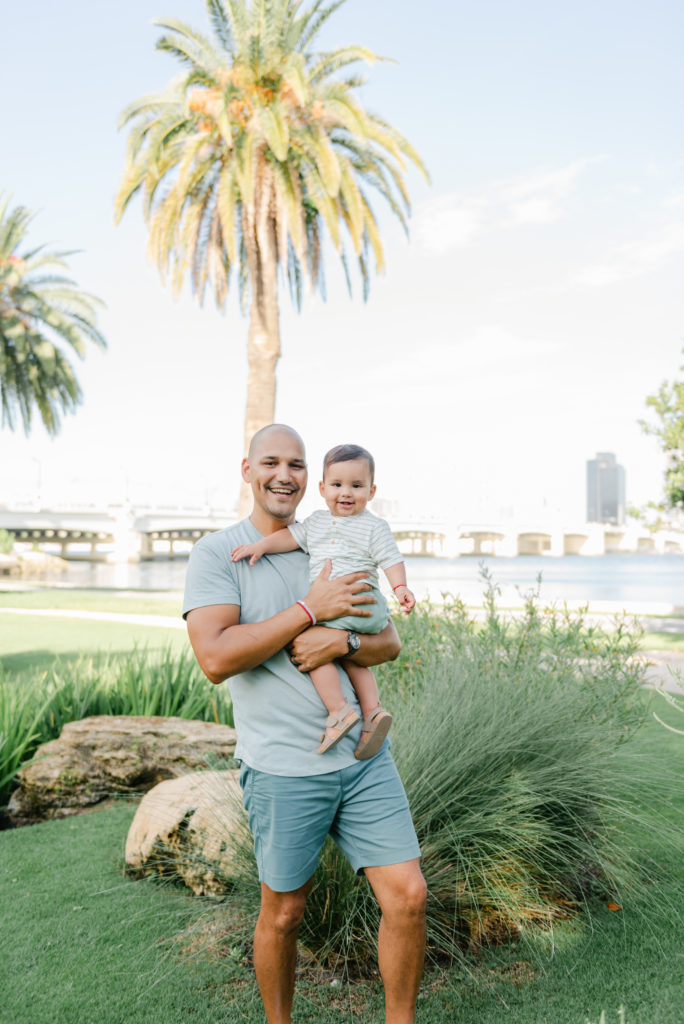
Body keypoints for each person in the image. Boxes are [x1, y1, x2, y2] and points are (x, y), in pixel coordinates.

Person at [183, 424, 426, 1024]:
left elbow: (386, 641)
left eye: (295, 464)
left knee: (409, 898)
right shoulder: (220, 553)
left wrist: (338, 637)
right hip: (286, 766)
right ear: (247, 470)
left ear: (308, 478)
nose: (283, 475)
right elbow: (215, 658)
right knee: (284, 914)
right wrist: (309, 612)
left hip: (364, 758)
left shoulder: (333, 540)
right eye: (271, 462)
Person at [231, 443, 416, 759]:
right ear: (322, 488)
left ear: (372, 492)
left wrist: (260, 545)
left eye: (356, 486)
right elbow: (389, 559)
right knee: (349, 655)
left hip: (344, 603)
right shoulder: (363, 526)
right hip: (369, 609)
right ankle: (373, 710)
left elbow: (391, 560)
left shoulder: (340, 524)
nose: (346, 493)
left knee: (311, 645)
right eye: (337, 485)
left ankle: (339, 710)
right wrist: (398, 590)